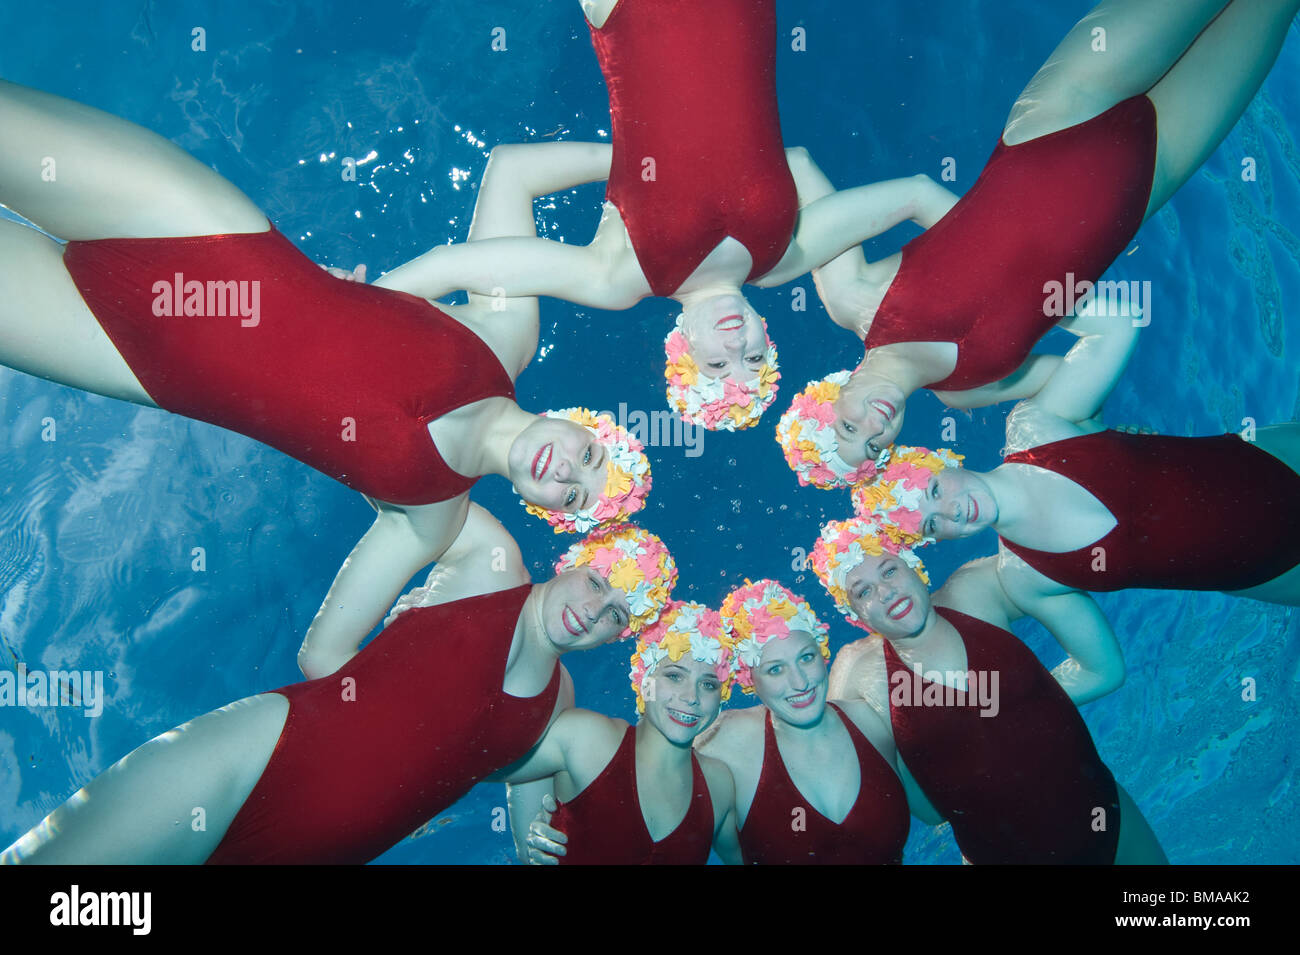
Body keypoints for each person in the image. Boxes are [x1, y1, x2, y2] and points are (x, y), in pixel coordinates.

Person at [0, 80, 652, 683]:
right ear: (581, 421)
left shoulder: (428, 519)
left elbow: (323, 657)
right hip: (195, 227)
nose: (567, 472)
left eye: (573, 496)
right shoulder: (508, 333)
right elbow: (513, 170)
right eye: (589, 456)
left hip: (125, 355)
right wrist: (643, 160)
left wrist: (424, 642)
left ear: (547, 509)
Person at [778, 0, 1300, 488]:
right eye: (875, 447)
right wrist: (1058, 307)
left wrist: (725, 268)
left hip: (1065, 113)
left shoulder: (850, 295)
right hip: (1146, 182)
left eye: (849, 429)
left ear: (829, 396)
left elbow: (834, 173)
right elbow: (1075, 377)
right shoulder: (965, 391)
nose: (874, 426)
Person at [379, 0, 958, 430]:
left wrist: (360, 303)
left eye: (715, 364)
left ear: (681, 349)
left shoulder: (620, 279)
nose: (735, 347)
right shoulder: (787, 258)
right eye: (752, 357)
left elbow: (456, 264)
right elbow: (912, 193)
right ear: (766, 336)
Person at [0, 518, 676, 864]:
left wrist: (537, 837)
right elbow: (414, 461)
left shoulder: (560, 704)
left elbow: (529, 812)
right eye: (597, 581)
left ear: (620, 638)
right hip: (251, 757)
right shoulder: (490, 555)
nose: (595, 610)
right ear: (573, 558)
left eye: (618, 613)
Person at [813, 517, 1166, 864]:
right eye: (863, 591)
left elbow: (1104, 670)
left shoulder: (977, 590)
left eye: (889, 571)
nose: (885, 592)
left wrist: (1021, 706)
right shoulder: (859, 673)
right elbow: (845, 790)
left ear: (913, 565)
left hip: (1112, 825)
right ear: (855, 615)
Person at [506, 601, 741, 865]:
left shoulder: (718, 785)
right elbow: (481, 766)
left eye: (708, 684)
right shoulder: (587, 739)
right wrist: (528, 818)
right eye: (674, 676)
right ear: (644, 680)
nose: (691, 697)